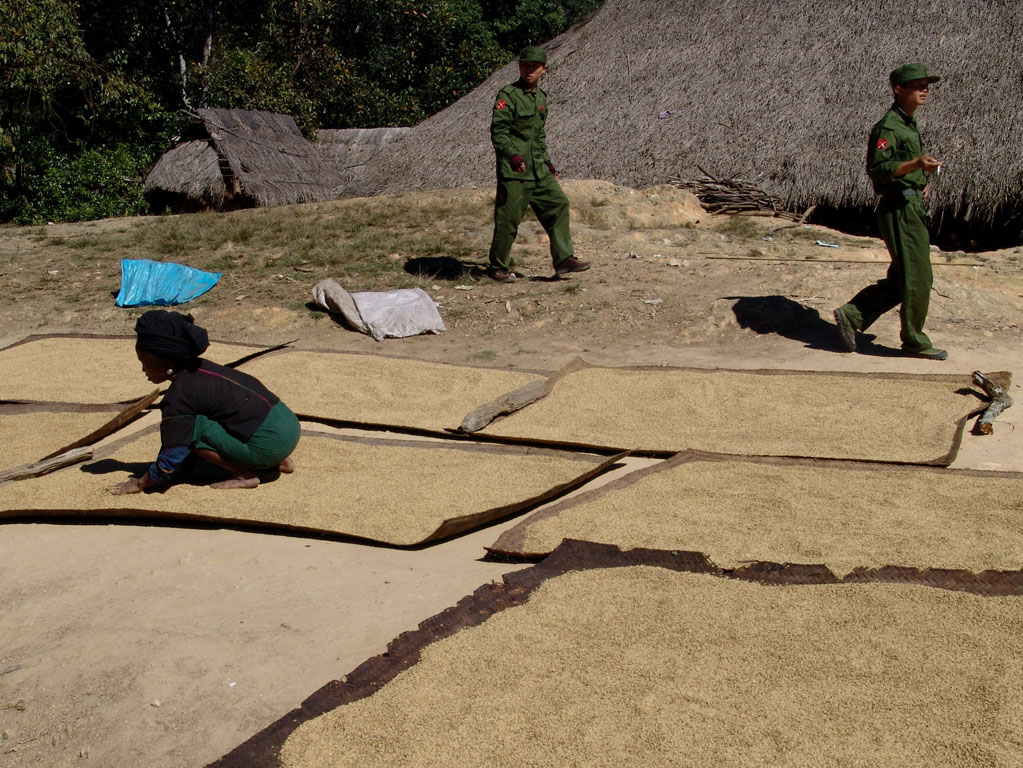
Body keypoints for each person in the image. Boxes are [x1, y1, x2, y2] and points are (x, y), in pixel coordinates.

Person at [110, 310, 300, 493]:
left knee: (190, 429)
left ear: (168, 365)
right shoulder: (203, 368)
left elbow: (172, 454)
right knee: (205, 418)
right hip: (289, 426)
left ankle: (245, 474)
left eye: (144, 362)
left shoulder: (178, 396)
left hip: (268, 446)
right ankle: (281, 461)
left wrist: (141, 484)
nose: (143, 369)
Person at [834, 62, 947, 360]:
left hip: (910, 203)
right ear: (898, 89)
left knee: (903, 278)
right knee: (918, 277)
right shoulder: (888, 127)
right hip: (899, 208)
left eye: (926, 84)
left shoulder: (908, 123)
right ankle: (914, 341)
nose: (924, 89)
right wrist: (917, 165)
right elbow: (878, 169)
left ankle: (853, 315)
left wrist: (921, 181)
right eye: (916, 85)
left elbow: (903, 168)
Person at [487, 45, 590, 283]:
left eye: (534, 66)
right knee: (508, 219)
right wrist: (513, 156)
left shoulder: (541, 99)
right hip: (515, 169)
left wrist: (548, 164)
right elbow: (499, 131)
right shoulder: (508, 95)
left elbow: (538, 136)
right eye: (524, 65)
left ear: (544, 69)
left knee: (558, 204)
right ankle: (497, 267)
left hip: (538, 169)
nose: (528, 70)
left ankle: (564, 259)